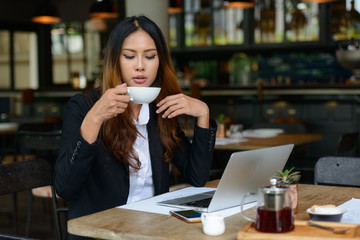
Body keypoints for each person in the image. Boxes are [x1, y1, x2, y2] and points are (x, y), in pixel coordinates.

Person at [54, 15, 217, 239]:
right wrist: (95, 119)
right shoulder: (84, 107)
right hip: (102, 232)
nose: (140, 66)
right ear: (115, 60)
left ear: (160, 61)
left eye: (150, 56)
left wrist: (203, 114)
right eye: (129, 56)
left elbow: (197, 177)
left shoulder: (161, 109)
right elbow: (64, 188)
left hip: (154, 229)